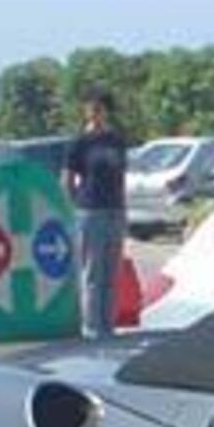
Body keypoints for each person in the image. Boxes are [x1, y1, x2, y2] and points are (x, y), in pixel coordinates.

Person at [63, 90, 129, 338]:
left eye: (100, 108)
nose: (96, 113)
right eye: (92, 108)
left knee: (111, 273)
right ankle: (91, 328)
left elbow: (121, 177)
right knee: (92, 272)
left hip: (114, 210)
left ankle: (107, 326)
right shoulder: (80, 142)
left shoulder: (116, 141)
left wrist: (123, 209)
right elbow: (68, 178)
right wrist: (73, 206)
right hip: (90, 210)